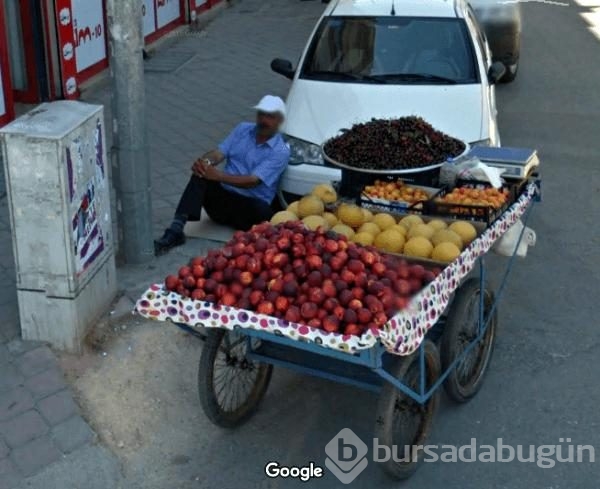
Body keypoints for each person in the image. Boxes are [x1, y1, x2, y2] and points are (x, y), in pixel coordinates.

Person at [154, 95, 290, 255]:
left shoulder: (281, 151)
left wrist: (217, 176)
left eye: (270, 116)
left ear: (280, 121)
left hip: (250, 209)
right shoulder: (243, 129)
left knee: (262, 209)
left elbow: (253, 181)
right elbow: (219, 153)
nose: (263, 120)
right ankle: (176, 229)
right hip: (223, 203)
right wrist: (205, 162)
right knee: (201, 174)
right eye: (261, 114)